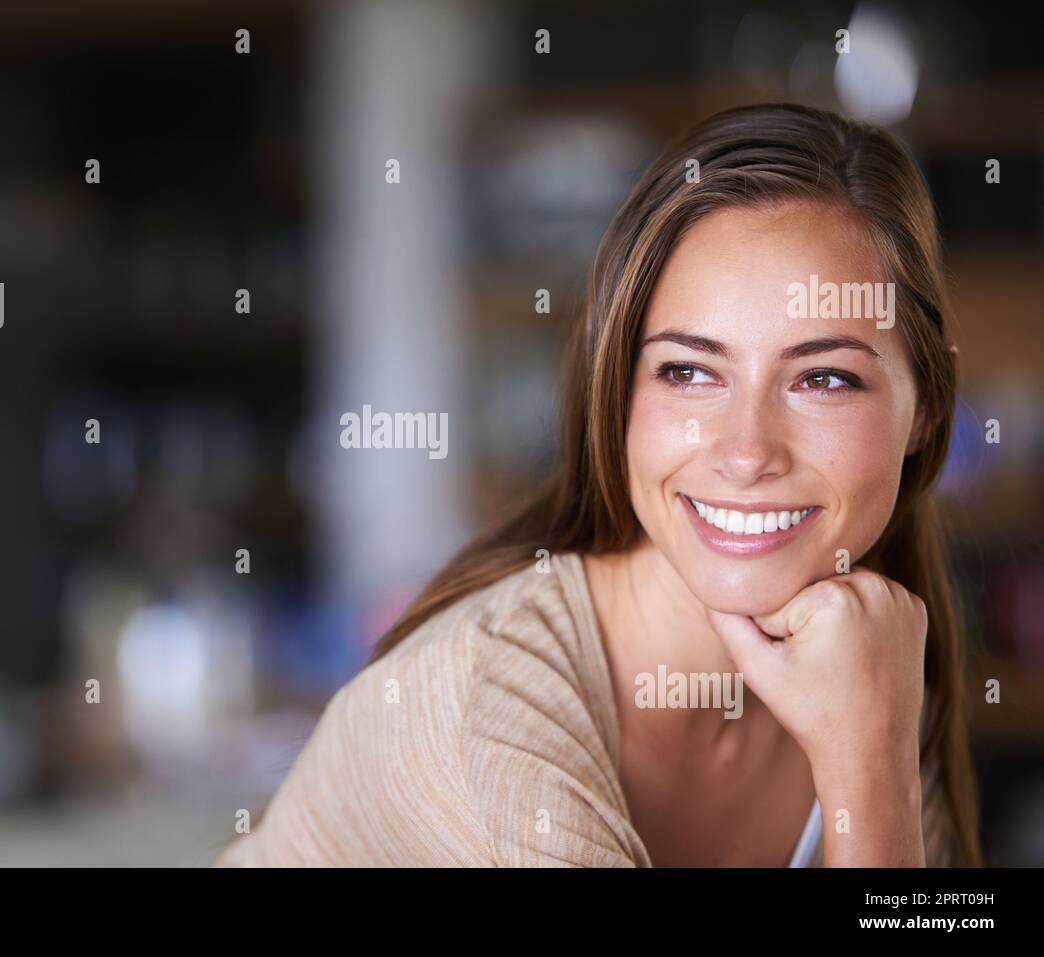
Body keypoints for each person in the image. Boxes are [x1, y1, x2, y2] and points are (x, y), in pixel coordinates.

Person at [215, 102, 981, 867]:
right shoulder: (492, 718)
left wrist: (871, 758)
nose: (747, 452)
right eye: (687, 371)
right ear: (617, 392)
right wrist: (870, 776)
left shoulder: (866, 661)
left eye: (823, 378)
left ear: (928, 407)